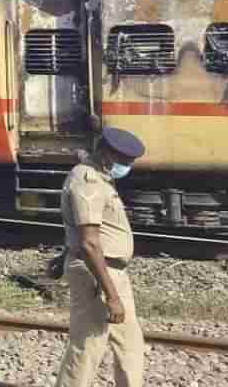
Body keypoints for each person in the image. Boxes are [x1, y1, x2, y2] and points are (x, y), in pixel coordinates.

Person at [55, 128, 146, 387]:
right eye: (124, 161)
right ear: (106, 154)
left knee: (130, 345)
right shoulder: (88, 182)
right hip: (97, 273)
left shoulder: (102, 178)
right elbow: (90, 242)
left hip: (111, 271)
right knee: (88, 346)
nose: (127, 166)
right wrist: (112, 296)